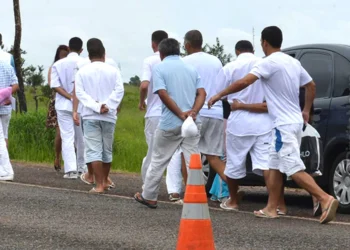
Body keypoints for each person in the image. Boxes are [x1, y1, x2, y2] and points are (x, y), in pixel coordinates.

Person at [208, 26, 338, 224]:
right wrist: (305, 110)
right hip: (291, 122)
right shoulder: (293, 62)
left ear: (264, 43)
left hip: (282, 125)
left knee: (292, 167)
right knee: (273, 165)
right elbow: (311, 85)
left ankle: (325, 198)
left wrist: (219, 94)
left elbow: (244, 82)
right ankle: (271, 208)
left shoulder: (268, 63)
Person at [134, 38, 206, 208]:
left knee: (159, 159)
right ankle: (197, 198)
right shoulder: (191, 69)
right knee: (193, 160)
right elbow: (202, 93)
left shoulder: (160, 68)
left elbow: (162, 93)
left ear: (161, 53)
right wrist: (193, 112)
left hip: (170, 122)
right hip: (192, 122)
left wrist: (180, 113)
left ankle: (149, 196)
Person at [75, 38, 124, 193]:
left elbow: (80, 93)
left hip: (90, 115)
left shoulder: (82, 71)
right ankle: (105, 180)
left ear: (89, 56)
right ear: (104, 54)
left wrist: (97, 106)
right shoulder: (114, 71)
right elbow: (120, 90)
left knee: (93, 150)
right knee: (106, 150)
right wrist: (107, 105)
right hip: (109, 115)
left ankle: (99, 185)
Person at [139, 30, 183, 201]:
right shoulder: (179, 62)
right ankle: (174, 190)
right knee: (174, 152)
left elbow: (144, 85)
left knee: (153, 152)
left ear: (153, 44)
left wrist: (141, 101)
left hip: (155, 112)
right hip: (175, 112)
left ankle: (147, 187)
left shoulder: (150, 61)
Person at [182, 30, 227, 183]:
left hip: (195, 113)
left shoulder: (185, 61)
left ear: (187, 45)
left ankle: (191, 191)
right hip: (216, 112)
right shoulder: (216, 61)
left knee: (188, 153)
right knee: (213, 157)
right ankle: (233, 189)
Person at [50, 37, 86, 179]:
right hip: (81, 105)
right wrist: (75, 97)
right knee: (81, 137)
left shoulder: (58, 64)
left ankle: (70, 170)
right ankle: (82, 168)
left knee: (67, 136)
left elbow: (55, 85)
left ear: (69, 48)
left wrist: (69, 96)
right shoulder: (85, 63)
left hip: (63, 105)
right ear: (81, 50)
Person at [46, 45, 69, 172]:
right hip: (58, 101)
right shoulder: (54, 67)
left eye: (66, 55)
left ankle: (71, 161)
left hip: (73, 101)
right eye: (62, 55)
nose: (64, 58)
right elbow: (51, 84)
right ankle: (57, 157)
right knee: (60, 133)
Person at [0, 60, 19, 181]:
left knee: (0, 140)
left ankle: (6, 169)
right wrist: (7, 95)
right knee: (4, 136)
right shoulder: (7, 66)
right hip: (5, 108)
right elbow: (16, 85)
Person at [0, 33, 17, 148]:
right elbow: (14, 83)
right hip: (5, 103)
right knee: (4, 134)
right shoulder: (8, 58)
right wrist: (8, 97)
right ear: (1, 42)